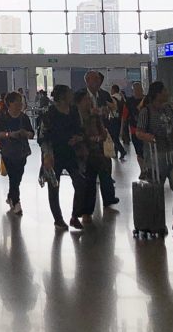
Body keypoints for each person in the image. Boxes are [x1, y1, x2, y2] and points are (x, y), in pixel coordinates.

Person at [136, 81, 173, 236]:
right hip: (155, 157)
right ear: (158, 93)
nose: (168, 92)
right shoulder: (146, 112)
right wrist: (147, 136)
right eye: (165, 90)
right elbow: (138, 132)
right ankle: (157, 223)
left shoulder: (168, 109)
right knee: (156, 191)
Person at [37, 84, 87, 232]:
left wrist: (78, 138)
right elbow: (43, 136)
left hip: (71, 153)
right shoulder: (50, 113)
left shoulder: (73, 111)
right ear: (62, 96)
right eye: (69, 93)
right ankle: (58, 219)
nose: (72, 95)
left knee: (80, 183)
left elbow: (80, 129)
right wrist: (46, 154)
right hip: (54, 154)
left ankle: (74, 215)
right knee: (54, 186)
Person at [79, 71, 119, 207]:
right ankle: (87, 205)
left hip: (103, 133)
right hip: (88, 136)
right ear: (87, 81)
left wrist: (108, 111)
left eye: (99, 80)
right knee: (90, 171)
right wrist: (91, 113)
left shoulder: (104, 95)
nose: (98, 82)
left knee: (106, 165)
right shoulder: (81, 96)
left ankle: (109, 197)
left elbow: (112, 108)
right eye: (94, 80)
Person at [74, 89, 110, 225]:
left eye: (89, 99)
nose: (89, 102)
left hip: (95, 152)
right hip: (80, 153)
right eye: (86, 99)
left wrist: (100, 137)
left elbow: (103, 131)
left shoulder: (94, 116)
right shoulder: (75, 117)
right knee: (82, 183)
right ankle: (79, 211)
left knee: (91, 182)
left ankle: (87, 211)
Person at [0, 91, 35, 215]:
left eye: (21, 101)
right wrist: (10, 134)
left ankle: (10, 196)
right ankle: (17, 201)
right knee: (13, 176)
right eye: (17, 101)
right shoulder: (3, 118)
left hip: (21, 152)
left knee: (18, 176)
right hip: (8, 152)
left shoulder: (24, 118)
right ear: (10, 103)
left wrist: (25, 134)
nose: (20, 104)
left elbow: (31, 133)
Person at [122, 81, 145, 164]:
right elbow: (124, 117)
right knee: (139, 152)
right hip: (134, 130)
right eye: (136, 89)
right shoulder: (129, 102)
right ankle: (143, 170)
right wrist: (122, 130)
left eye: (139, 89)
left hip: (147, 130)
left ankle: (148, 168)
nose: (138, 91)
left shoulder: (147, 100)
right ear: (133, 91)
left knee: (147, 151)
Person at [107, 84, 128, 160]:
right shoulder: (121, 98)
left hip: (113, 119)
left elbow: (111, 108)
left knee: (113, 137)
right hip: (120, 119)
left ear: (113, 90)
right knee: (116, 137)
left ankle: (122, 151)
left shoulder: (112, 98)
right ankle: (115, 153)